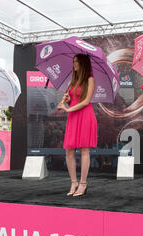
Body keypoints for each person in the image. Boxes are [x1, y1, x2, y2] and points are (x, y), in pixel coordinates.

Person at [57, 54, 97, 197]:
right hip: (73, 116)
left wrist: (68, 109)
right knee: (69, 151)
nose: (74, 64)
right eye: (73, 61)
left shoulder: (90, 79)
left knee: (84, 150)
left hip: (85, 115)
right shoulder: (73, 81)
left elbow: (86, 101)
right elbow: (72, 101)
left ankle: (83, 183)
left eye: (76, 62)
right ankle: (73, 182)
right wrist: (67, 101)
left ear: (83, 64)